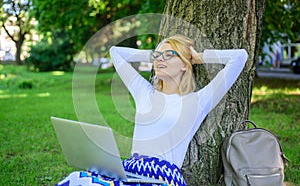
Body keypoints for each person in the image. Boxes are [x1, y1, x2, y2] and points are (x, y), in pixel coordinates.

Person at [56, 34, 248, 186]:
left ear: (184, 65)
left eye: (169, 55)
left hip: (163, 178)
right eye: (158, 57)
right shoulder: (144, 93)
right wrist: (154, 54)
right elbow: (115, 52)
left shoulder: (198, 101)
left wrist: (198, 57)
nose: (160, 60)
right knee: (78, 179)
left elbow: (240, 57)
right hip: (129, 171)